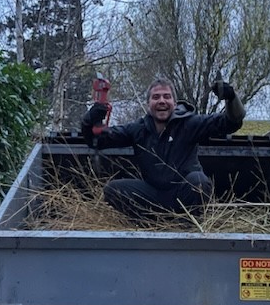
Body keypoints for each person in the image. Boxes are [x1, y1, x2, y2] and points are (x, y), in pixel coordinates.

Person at [81, 76, 245, 218]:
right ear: (148, 104)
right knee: (113, 190)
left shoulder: (190, 124)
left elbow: (231, 122)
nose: (161, 101)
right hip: (152, 196)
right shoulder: (138, 129)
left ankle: (187, 230)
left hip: (184, 197)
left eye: (166, 97)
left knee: (199, 181)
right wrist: (90, 119)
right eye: (156, 97)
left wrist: (231, 98)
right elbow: (97, 141)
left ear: (174, 102)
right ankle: (149, 228)